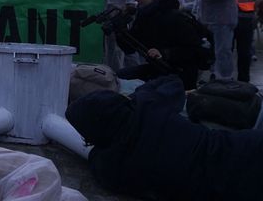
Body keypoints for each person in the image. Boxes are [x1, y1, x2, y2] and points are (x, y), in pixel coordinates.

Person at [66, 75, 263, 201]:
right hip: (242, 149)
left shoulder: (111, 166)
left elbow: (96, 159)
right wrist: (136, 97)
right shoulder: (147, 107)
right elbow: (172, 82)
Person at [115, 0, 204, 89]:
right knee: (119, 77)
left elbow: (194, 50)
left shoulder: (174, 17)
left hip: (180, 74)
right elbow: (130, 48)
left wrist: (164, 53)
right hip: (158, 69)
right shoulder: (144, 15)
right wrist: (120, 29)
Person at [234, 0, 263, 82]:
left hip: (240, 17)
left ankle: (234, 81)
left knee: (237, 51)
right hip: (242, 16)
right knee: (241, 51)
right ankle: (242, 80)